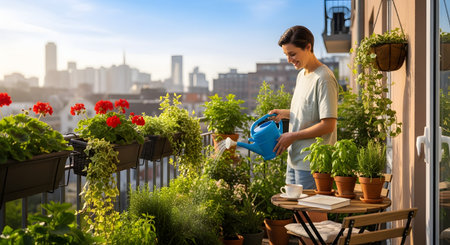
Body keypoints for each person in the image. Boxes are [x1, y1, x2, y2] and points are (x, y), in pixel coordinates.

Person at [269, 25, 338, 189]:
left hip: (313, 163)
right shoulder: (302, 75)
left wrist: (292, 136)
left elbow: (328, 124)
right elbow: (308, 113)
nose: (289, 60)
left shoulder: (324, 78)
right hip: (295, 159)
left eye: (292, 54)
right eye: (286, 55)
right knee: (296, 213)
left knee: (312, 213)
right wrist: (285, 114)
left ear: (308, 47)